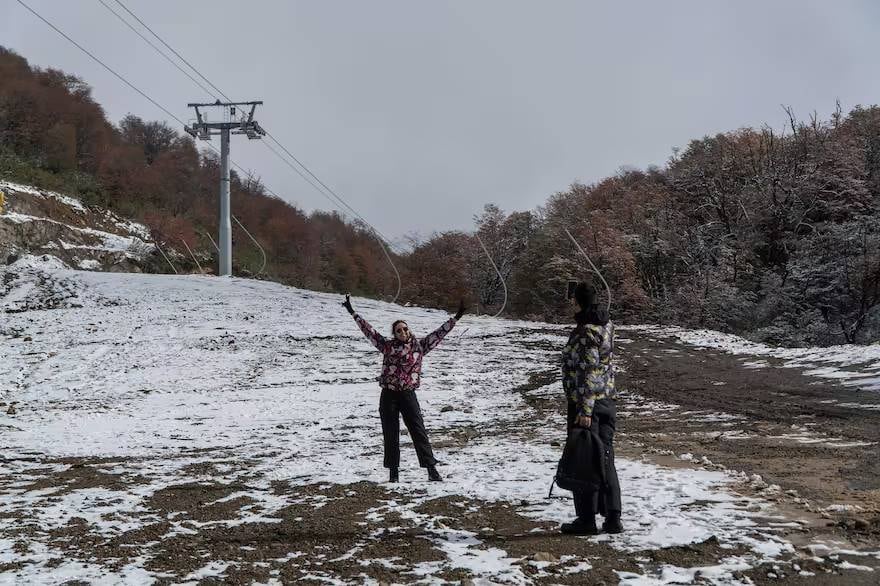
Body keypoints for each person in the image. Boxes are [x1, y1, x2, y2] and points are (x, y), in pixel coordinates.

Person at [342, 294, 465, 483]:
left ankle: (431, 469)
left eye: (405, 329)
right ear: (394, 333)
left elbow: (439, 333)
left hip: (408, 394)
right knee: (390, 433)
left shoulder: (420, 346)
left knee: (418, 430)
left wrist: (455, 318)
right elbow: (369, 332)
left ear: (409, 330)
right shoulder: (387, 346)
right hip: (389, 394)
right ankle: (393, 473)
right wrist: (353, 313)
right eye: (399, 330)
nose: (403, 332)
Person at [560, 282, 623, 535]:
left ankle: (586, 519)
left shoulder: (586, 331)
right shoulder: (607, 324)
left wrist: (584, 411)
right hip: (607, 401)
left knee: (584, 459)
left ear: (577, 302)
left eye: (572, 299)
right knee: (605, 457)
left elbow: (588, 372)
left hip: (588, 404)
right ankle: (613, 517)